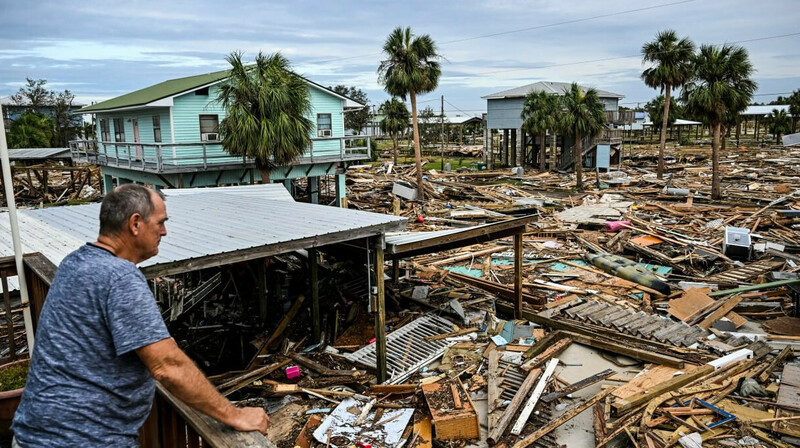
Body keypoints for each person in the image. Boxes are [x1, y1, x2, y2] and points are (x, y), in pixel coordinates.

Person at [12, 184, 269, 447]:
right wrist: (235, 415)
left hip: (34, 433)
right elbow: (167, 366)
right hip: (81, 439)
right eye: (160, 222)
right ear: (135, 223)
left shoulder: (74, 262)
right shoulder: (120, 277)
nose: (164, 231)